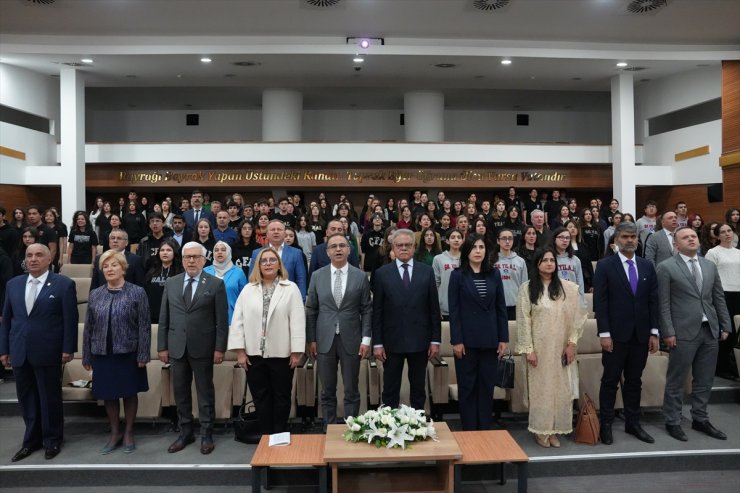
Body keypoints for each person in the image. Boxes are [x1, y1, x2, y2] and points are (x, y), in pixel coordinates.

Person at [1, 244, 78, 461]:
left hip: (49, 350)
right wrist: (4, 349)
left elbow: (69, 320)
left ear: (49, 258)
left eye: (38, 255)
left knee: (49, 398)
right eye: (29, 255)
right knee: (26, 399)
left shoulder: (63, 284)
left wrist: (68, 348)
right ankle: (31, 440)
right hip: (19, 350)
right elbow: (7, 320)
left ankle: (52, 440)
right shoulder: (13, 284)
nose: (33, 259)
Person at [657, 227, 731, 442]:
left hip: (710, 330)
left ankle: (700, 418)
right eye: (685, 237)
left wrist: (725, 325)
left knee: (705, 379)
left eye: (693, 236)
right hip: (681, 332)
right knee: (676, 380)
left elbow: (718, 297)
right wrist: (668, 331)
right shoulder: (666, 267)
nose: (691, 239)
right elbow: (663, 304)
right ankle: (672, 420)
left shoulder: (709, 265)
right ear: (675, 244)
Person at [158, 241, 229, 455]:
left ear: (204, 259)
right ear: (182, 260)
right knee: (180, 393)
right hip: (176, 347)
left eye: (196, 257)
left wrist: (220, 349)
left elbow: (221, 321)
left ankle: (207, 434)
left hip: (204, 348)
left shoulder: (215, 284)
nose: (191, 261)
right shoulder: (171, 283)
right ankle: (185, 432)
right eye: (187, 257)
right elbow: (164, 318)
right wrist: (162, 346)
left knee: (205, 393)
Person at [593, 222, 660, 445]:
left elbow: (653, 301)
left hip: (641, 335)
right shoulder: (604, 266)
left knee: (634, 381)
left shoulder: (647, 266)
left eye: (633, 237)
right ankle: (606, 424)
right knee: (610, 381)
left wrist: (653, 332)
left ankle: (633, 424)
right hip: (615, 335)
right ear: (616, 240)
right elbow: (600, 303)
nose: (630, 240)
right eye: (625, 237)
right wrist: (604, 333)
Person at [229, 247, 305, 438]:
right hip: (254, 354)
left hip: (282, 354)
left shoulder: (291, 288)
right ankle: (265, 436)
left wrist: (296, 352)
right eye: (264, 261)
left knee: (281, 397)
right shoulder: (248, 289)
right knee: (260, 397)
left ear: (279, 265)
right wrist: (240, 352)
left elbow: (297, 320)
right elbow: (237, 321)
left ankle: (279, 435)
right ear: (258, 266)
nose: (269, 263)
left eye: (273, 260)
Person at [516, 248, 585, 448]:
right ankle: (541, 430)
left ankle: (555, 429)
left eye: (552, 260)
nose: (549, 263)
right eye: (544, 260)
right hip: (539, 350)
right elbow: (523, 320)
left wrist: (572, 344)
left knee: (561, 390)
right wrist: (528, 349)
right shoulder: (527, 289)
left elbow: (578, 318)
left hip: (562, 349)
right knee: (542, 391)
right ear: (536, 264)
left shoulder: (569, 288)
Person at [83, 250, 150, 454]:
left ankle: (129, 432)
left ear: (123, 268)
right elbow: (89, 326)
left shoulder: (137, 292)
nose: (109, 269)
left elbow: (144, 326)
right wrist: (86, 355)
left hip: (129, 352)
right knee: (108, 394)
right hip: (102, 352)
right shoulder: (95, 294)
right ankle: (115, 432)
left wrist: (143, 354)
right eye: (105, 266)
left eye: (114, 265)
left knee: (129, 393)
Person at [306, 233, 372, 429]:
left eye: (342, 245)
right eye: (333, 246)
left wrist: (366, 340)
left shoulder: (360, 276)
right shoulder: (317, 276)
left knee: (351, 390)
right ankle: (329, 430)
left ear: (349, 250)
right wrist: (312, 340)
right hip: (324, 339)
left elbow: (367, 309)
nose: (338, 249)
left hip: (352, 339)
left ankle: (352, 429)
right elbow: (311, 309)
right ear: (327, 252)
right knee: (327, 391)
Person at [372, 229, 441, 410]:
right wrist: (377, 343)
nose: (403, 248)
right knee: (390, 389)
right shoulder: (381, 274)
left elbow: (434, 309)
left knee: (418, 388)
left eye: (407, 245)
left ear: (414, 247)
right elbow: (377, 311)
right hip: (391, 342)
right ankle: (389, 425)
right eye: (399, 245)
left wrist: (435, 340)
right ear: (393, 247)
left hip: (420, 341)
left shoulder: (426, 272)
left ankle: (418, 424)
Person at [448, 235, 508, 431]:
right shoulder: (457, 275)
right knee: (468, 388)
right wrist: (456, 340)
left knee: (486, 387)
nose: (478, 251)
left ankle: (484, 430)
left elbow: (501, 308)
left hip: (490, 339)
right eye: (474, 247)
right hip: (466, 341)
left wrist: (503, 338)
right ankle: (469, 431)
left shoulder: (494, 274)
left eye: (481, 247)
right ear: (467, 251)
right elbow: (454, 311)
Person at [704, 223, 740, 379]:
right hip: (722, 293)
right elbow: (708, 275)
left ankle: (735, 366)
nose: (727, 234)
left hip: (739, 293)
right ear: (717, 236)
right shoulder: (713, 252)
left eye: (729, 231)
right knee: (726, 330)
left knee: (738, 333)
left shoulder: (738, 252)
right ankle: (721, 367)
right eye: (723, 232)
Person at [249, 220, 307, 301]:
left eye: (279, 229)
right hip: (263, 300)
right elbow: (253, 279)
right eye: (273, 230)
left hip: (288, 299)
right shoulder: (257, 253)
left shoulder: (296, 253)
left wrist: (301, 301)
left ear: (284, 234)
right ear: (267, 234)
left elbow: (301, 279)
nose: (276, 232)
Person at [204, 241, 247, 325]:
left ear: (228, 252)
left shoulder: (238, 272)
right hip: (208, 319)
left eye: (223, 250)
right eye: (216, 250)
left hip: (232, 319)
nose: (219, 252)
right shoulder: (205, 271)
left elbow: (244, 298)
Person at [492, 228, 529, 320]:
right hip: (495, 305)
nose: (507, 241)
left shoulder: (520, 261)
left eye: (510, 238)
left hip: (515, 305)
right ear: (498, 241)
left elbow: (524, 286)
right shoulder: (491, 261)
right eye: (504, 238)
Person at [143, 238, 182, 323]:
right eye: (162, 250)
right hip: (153, 315)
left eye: (168, 250)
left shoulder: (181, 272)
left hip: (173, 315)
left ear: (174, 253)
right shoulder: (151, 271)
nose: (165, 252)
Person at [432, 229, 463, 320]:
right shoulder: (438, 259)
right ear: (447, 241)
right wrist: (436, 307)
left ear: (462, 240)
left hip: (464, 307)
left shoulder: (467, 258)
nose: (456, 240)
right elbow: (435, 284)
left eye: (459, 237)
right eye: (453, 237)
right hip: (445, 307)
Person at [550, 226, 585, 296]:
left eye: (567, 238)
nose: (565, 240)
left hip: (572, 297)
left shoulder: (575, 260)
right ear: (554, 239)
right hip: (554, 296)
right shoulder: (549, 259)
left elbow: (580, 283)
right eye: (561, 237)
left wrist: (581, 302)